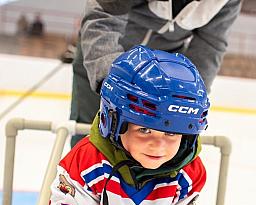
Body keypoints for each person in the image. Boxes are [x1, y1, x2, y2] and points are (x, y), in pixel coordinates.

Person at [45, 45, 210, 205]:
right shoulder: (86, 163)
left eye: (171, 133)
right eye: (144, 130)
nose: (158, 145)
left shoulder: (189, 174)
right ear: (113, 123)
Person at [70, 0, 241, 147]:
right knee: (91, 141)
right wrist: (113, 80)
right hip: (106, 61)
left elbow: (210, 46)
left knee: (155, 152)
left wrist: (190, 98)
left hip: (164, 75)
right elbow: (104, 16)